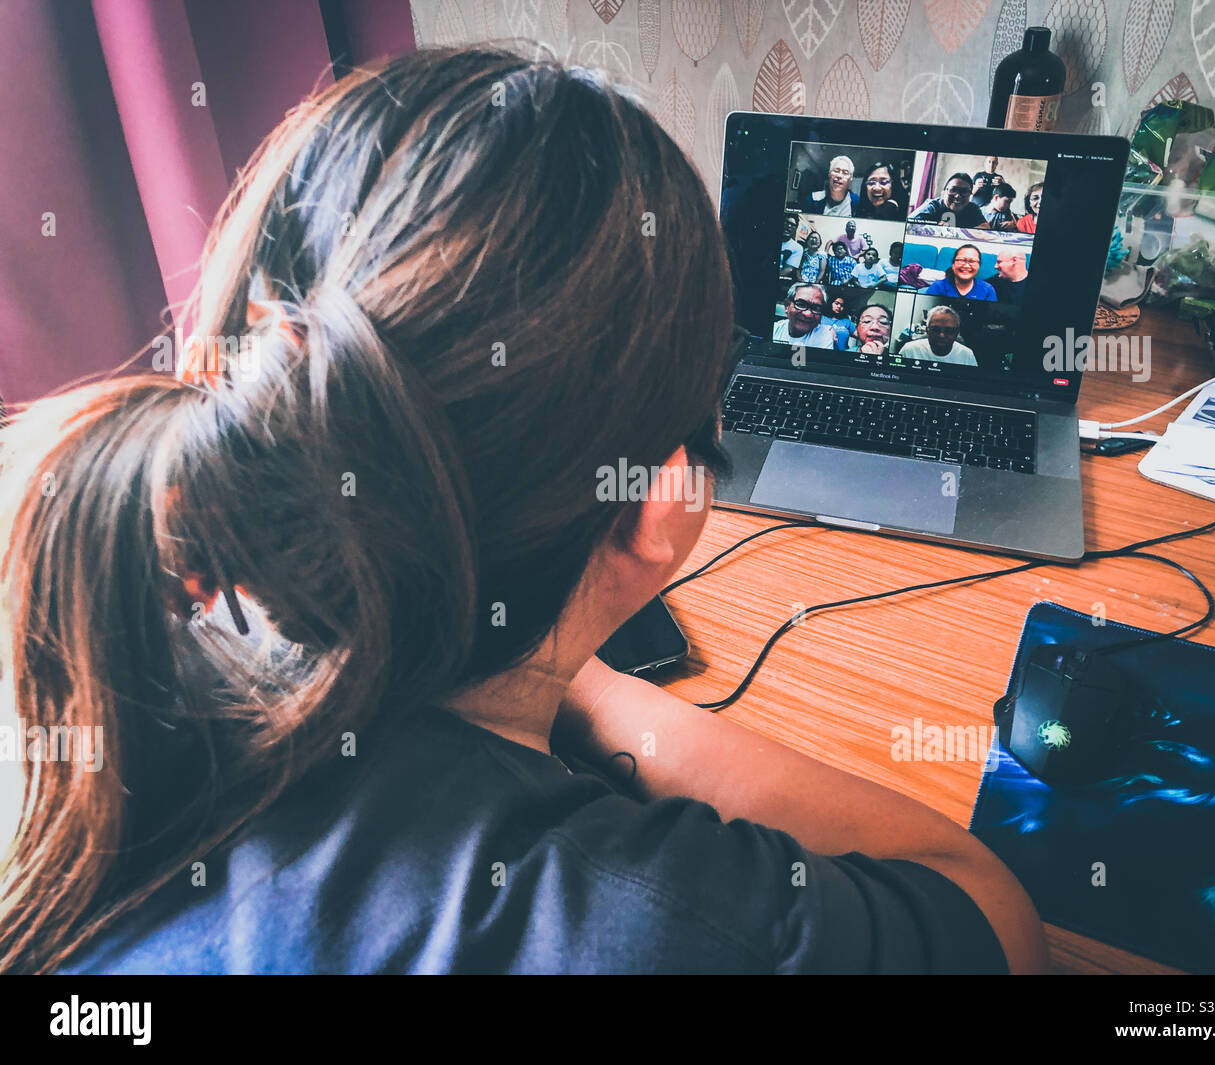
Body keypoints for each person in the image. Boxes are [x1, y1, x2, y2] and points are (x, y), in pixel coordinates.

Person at [0, 45, 1045, 976]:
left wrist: (545, 674)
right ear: (662, 504)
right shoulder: (658, 924)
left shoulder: (106, 640)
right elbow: (989, 915)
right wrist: (590, 694)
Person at [898, 305, 978, 366]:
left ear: (956, 333)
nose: (941, 335)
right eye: (935, 329)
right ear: (927, 330)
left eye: (948, 331)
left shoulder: (967, 355)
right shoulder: (909, 350)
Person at [908, 173, 989, 228]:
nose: (957, 195)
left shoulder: (973, 208)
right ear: (943, 193)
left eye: (964, 191)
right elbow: (909, 224)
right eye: (953, 190)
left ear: (970, 195)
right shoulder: (933, 206)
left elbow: (986, 226)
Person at [773, 282, 838, 347]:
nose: (808, 314)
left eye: (816, 308)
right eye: (801, 304)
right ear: (787, 305)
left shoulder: (825, 335)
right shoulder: (775, 329)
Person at [924, 243, 997, 301]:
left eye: (972, 261)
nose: (966, 266)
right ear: (953, 265)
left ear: (979, 266)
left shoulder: (987, 290)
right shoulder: (938, 287)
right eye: (961, 260)